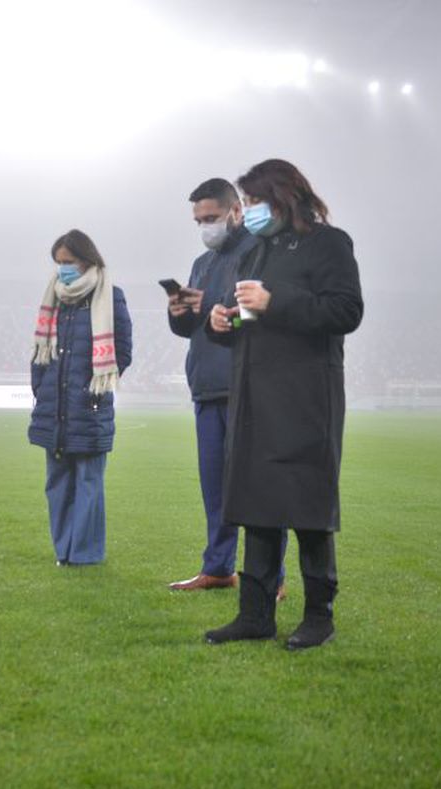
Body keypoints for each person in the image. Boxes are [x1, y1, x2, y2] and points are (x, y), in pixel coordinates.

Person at [204, 159, 363, 650]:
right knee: (257, 504)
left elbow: (346, 310)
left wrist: (276, 302)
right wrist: (227, 324)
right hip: (255, 393)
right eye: (246, 203)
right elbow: (256, 321)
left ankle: (319, 616)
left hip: (306, 397)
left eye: (253, 201)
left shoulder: (329, 242)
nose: (248, 211)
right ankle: (255, 615)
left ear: (284, 194)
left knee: (308, 507)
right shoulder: (257, 251)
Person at [166, 178, 287, 596]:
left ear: (235, 211)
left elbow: (267, 314)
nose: (205, 227)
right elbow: (191, 328)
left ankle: (271, 577)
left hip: (247, 384)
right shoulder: (203, 262)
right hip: (206, 385)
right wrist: (180, 311)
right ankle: (218, 567)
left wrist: (228, 315)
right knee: (214, 488)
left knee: (256, 486)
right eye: (198, 220)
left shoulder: (258, 250)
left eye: (211, 218)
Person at [28, 229, 133, 565]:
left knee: (88, 483)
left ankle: (85, 554)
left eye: (68, 262)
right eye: (58, 262)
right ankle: (63, 551)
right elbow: (39, 356)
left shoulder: (110, 296)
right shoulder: (54, 298)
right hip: (54, 407)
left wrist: (95, 386)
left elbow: (123, 352)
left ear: (87, 260)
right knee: (56, 484)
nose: (62, 269)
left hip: (89, 406)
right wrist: (42, 390)